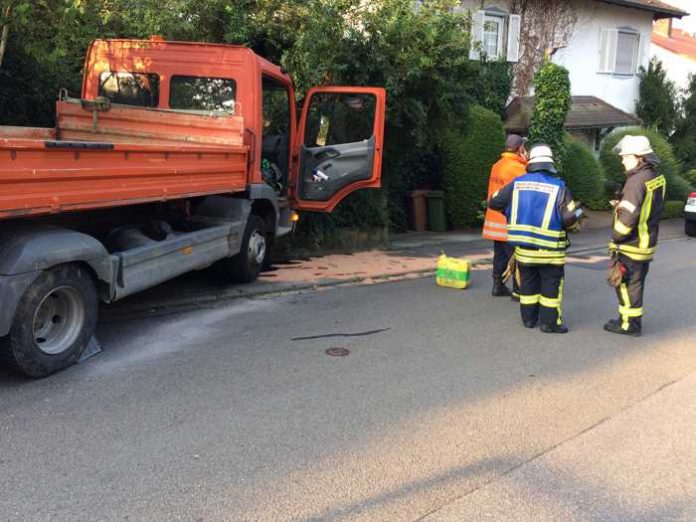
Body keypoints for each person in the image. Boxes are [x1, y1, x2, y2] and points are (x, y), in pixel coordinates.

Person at [489, 144, 582, 334]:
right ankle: (549, 324)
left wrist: (509, 213)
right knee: (550, 286)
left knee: (528, 284)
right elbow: (569, 218)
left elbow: (494, 202)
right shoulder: (560, 186)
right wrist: (576, 222)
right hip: (551, 251)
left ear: (530, 163)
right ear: (550, 165)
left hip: (524, 250)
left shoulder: (517, 183)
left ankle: (529, 320)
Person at [604, 135, 665, 336]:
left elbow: (628, 219)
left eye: (625, 157)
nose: (622, 160)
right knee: (635, 284)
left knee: (626, 285)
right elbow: (645, 207)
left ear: (639, 157)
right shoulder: (654, 177)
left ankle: (629, 325)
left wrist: (615, 236)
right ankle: (630, 321)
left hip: (631, 244)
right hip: (646, 240)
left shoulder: (636, 181)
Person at [483, 134, 528, 299]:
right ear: (519, 148)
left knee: (500, 255)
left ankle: (498, 286)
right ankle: (518, 290)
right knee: (515, 256)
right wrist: (526, 161)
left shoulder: (497, 165)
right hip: (508, 220)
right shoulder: (518, 168)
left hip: (494, 219)